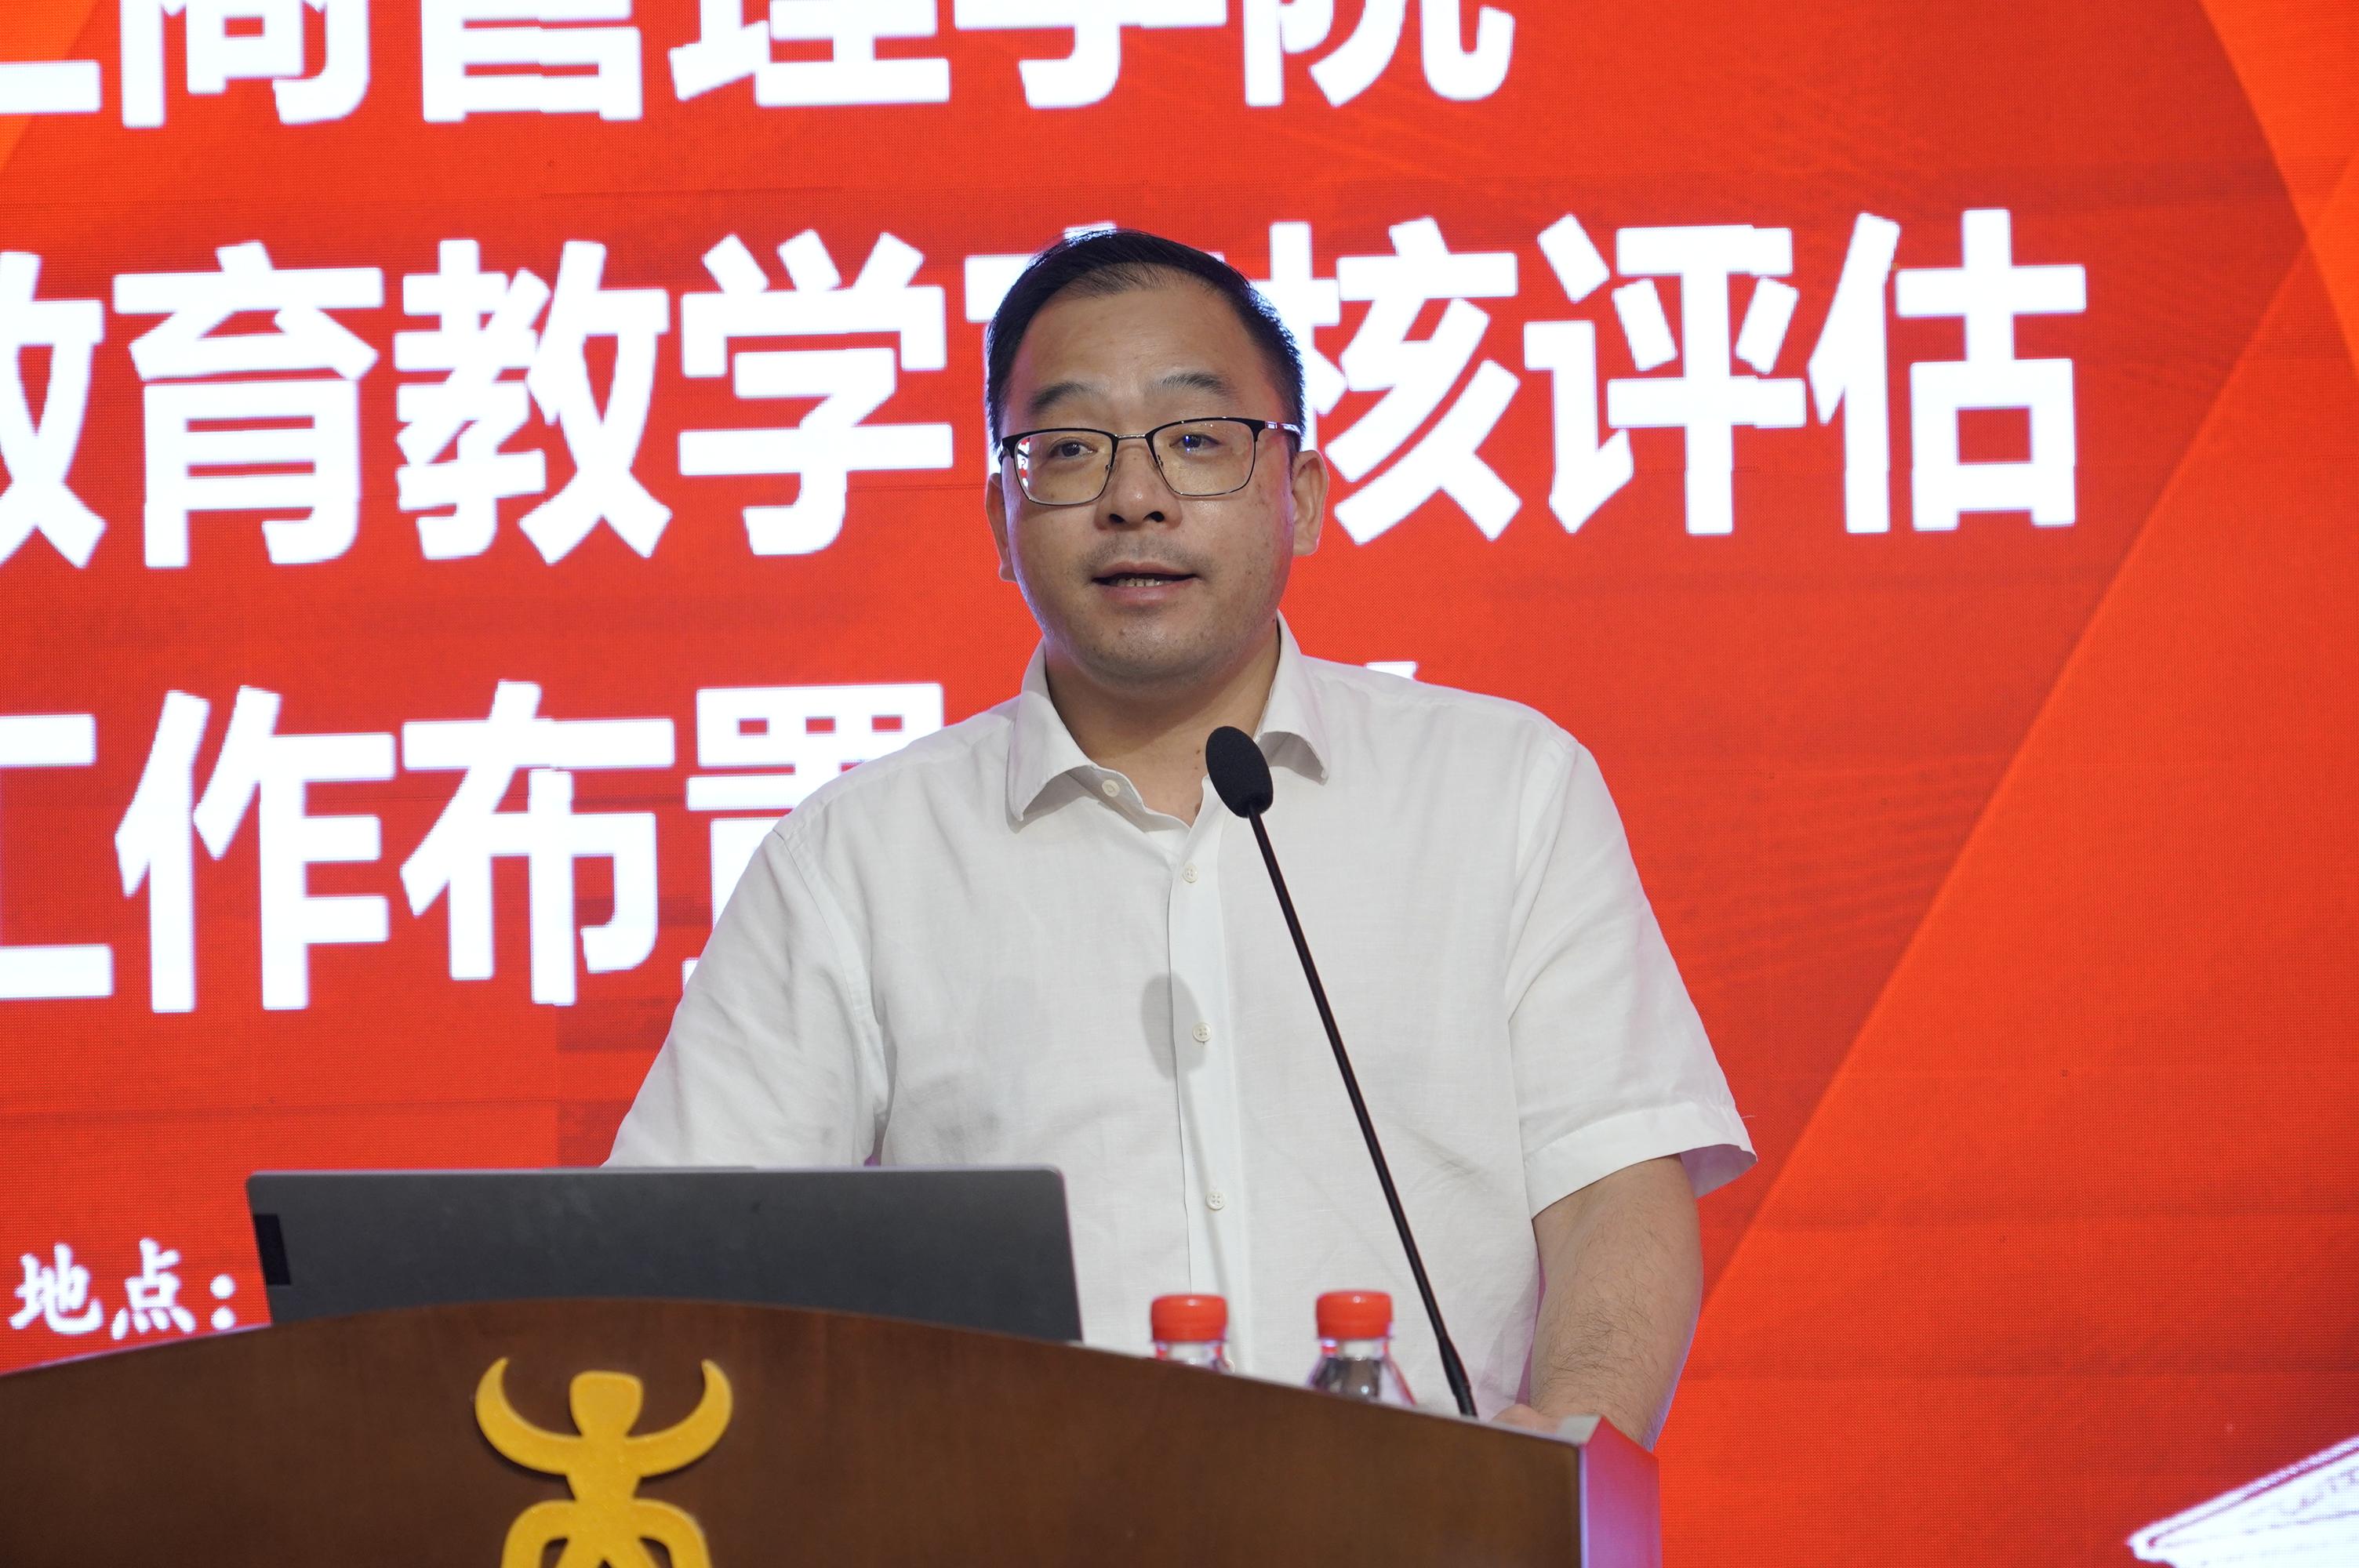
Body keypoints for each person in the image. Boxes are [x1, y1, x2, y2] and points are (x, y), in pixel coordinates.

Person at [610, 230, 1752, 1446]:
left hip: (1431, 1520)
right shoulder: (856, 860)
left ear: (1300, 497)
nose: (1135, 497)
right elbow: (683, 1261)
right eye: (1069, 449)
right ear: (1002, 519)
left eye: (1197, 440)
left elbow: (1613, 1192)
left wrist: (1563, 1465)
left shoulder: (1502, 788)